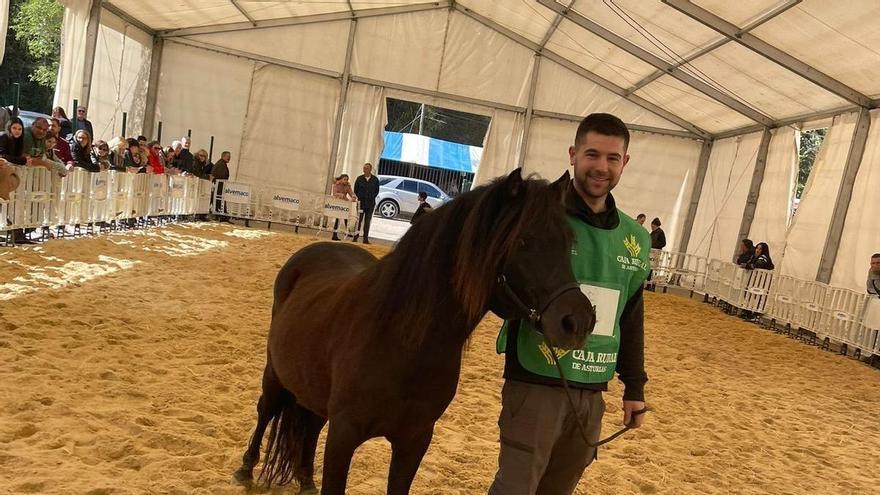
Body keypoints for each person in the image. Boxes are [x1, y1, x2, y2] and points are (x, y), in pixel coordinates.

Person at [490, 113, 650, 495]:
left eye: (613, 158)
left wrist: (634, 387)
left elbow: (630, 316)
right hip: (536, 377)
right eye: (592, 155)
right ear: (573, 154)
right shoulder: (536, 213)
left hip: (594, 385)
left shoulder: (636, 238)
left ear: (624, 163)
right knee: (515, 488)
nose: (601, 167)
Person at [353, 162, 379, 244]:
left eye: (366, 168)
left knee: (367, 222)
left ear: (370, 169)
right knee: (358, 221)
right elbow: (355, 190)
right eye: (364, 168)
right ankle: (355, 237)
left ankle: (365, 239)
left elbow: (376, 191)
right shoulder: (359, 178)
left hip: (370, 204)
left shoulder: (375, 179)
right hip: (361, 203)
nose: (365, 169)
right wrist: (360, 197)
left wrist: (371, 197)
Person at [331, 174, 356, 241]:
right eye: (345, 179)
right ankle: (334, 234)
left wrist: (353, 196)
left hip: (344, 204)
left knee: (346, 217)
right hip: (337, 203)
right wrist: (342, 196)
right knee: (337, 219)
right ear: (341, 179)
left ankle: (347, 231)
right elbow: (334, 193)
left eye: (347, 179)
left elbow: (351, 192)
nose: (346, 181)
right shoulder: (336, 185)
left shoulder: (347, 186)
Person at [211, 151, 231, 220]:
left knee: (218, 200)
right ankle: (221, 214)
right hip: (219, 186)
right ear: (223, 156)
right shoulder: (221, 164)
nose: (229, 158)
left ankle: (221, 214)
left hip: (219, 186)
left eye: (229, 156)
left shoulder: (221, 164)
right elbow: (221, 176)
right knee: (218, 199)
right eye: (228, 156)